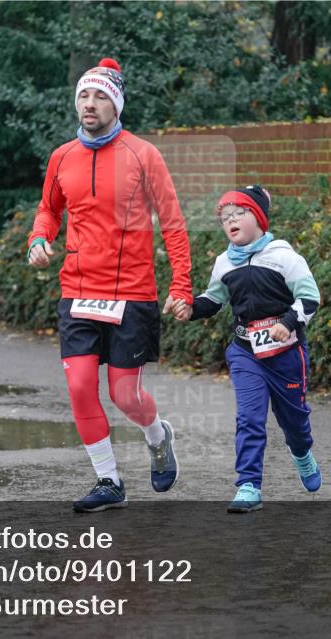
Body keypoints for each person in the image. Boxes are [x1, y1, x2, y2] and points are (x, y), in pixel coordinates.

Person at [27, 57, 194, 513]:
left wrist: (182, 285)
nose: (90, 103)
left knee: (125, 394)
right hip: (77, 290)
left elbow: (174, 225)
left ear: (116, 104)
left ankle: (158, 437)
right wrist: (39, 238)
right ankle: (109, 480)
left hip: (132, 293)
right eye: (83, 95)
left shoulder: (144, 155)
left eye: (100, 96)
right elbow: (49, 209)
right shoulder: (62, 157)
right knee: (81, 386)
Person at [166, 185, 321, 513]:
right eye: (225, 218)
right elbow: (214, 299)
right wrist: (190, 308)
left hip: (286, 352)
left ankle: (302, 452)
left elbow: (310, 297)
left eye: (240, 214)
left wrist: (288, 323)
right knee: (249, 417)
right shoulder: (225, 262)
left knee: (294, 422)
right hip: (245, 352)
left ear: (260, 219)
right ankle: (248, 485)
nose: (231, 221)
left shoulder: (284, 256)